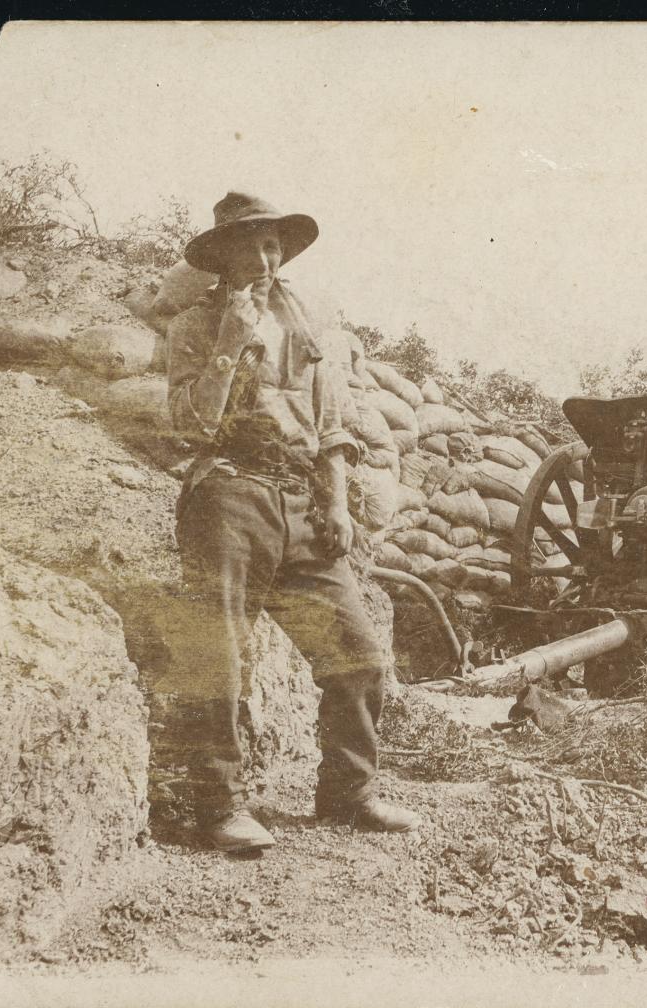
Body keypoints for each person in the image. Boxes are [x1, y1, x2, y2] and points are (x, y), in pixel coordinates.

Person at [165, 191, 420, 851]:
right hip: (227, 494)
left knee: (358, 653)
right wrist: (228, 344)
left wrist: (335, 500)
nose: (264, 258)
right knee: (215, 652)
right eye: (249, 245)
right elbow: (191, 424)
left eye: (273, 244)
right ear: (220, 257)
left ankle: (350, 792)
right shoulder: (194, 325)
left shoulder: (308, 326)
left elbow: (332, 424)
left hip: (303, 502)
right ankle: (220, 808)